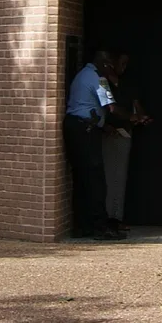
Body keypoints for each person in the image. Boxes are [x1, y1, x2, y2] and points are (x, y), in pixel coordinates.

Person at [64, 49, 123, 240]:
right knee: (96, 181)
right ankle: (100, 228)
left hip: (76, 127)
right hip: (86, 132)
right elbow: (111, 107)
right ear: (106, 65)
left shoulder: (84, 74)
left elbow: (87, 106)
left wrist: (103, 125)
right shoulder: (99, 79)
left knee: (82, 180)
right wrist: (133, 117)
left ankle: (82, 226)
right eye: (112, 67)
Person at [101, 52, 151, 232]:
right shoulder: (102, 82)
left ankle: (116, 216)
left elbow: (135, 103)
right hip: (109, 132)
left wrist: (141, 116)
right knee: (108, 177)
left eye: (125, 64)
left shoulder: (128, 83)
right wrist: (130, 117)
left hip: (125, 133)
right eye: (120, 63)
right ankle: (108, 218)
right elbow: (110, 108)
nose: (123, 67)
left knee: (119, 178)